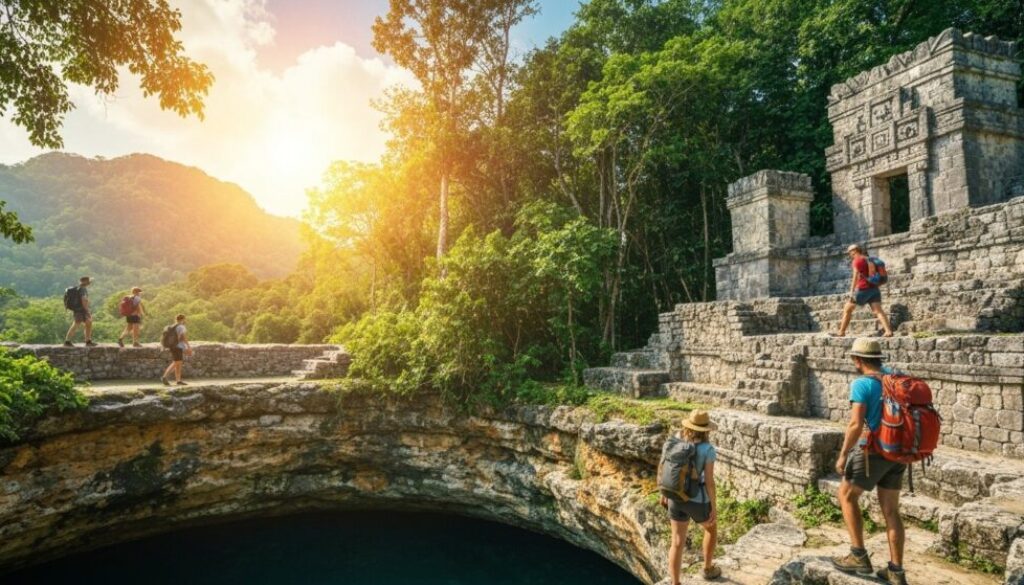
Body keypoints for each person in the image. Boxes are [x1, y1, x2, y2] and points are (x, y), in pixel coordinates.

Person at [832, 338, 907, 585]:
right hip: (898, 451)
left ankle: (858, 556)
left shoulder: (862, 384)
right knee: (891, 510)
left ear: (857, 360)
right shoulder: (895, 378)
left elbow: (855, 424)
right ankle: (896, 571)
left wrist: (843, 454)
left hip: (874, 450)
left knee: (846, 495)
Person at [661, 410, 721, 583]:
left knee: (677, 542)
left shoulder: (676, 440)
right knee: (711, 528)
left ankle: (675, 582)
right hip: (697, 499)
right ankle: (708, 569)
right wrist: (714, 508)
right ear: (706, 430)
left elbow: (665, 467)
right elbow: (709, 482)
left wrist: (664, 493)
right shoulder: (707, 449)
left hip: (675, 496)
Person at [835, 244, 893, 337]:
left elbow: (855, 277)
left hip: (863, 289)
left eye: (849, 251)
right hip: (874, 289)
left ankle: (841, 332)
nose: (849, 253)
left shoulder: (856, 261)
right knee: (878, 311)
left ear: (854, 251)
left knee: (847, 308)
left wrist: (851, 291)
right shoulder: (869, 258)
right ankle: (888, 331)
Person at [63, 276, 96, 347]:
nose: (90, 282)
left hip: (78, 309)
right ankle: (67, 341)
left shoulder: (78, 288)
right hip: (81, 310)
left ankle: (88, 341)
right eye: (89, 281)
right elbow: (84, 299)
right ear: (86, 282)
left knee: (88, 323)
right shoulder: (82, 289)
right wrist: (87, 310)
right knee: (76, 324)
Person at [161, 314, 192, 386]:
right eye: (185, 319)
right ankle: (164, 377)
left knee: (179, 363)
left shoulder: (172, 326)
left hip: (173, 346)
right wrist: (188, 346)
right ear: (183, 319)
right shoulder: (181, 327)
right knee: (176, 362)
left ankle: (178, 380)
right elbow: (183, 337)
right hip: (178, 346)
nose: (185, 321)